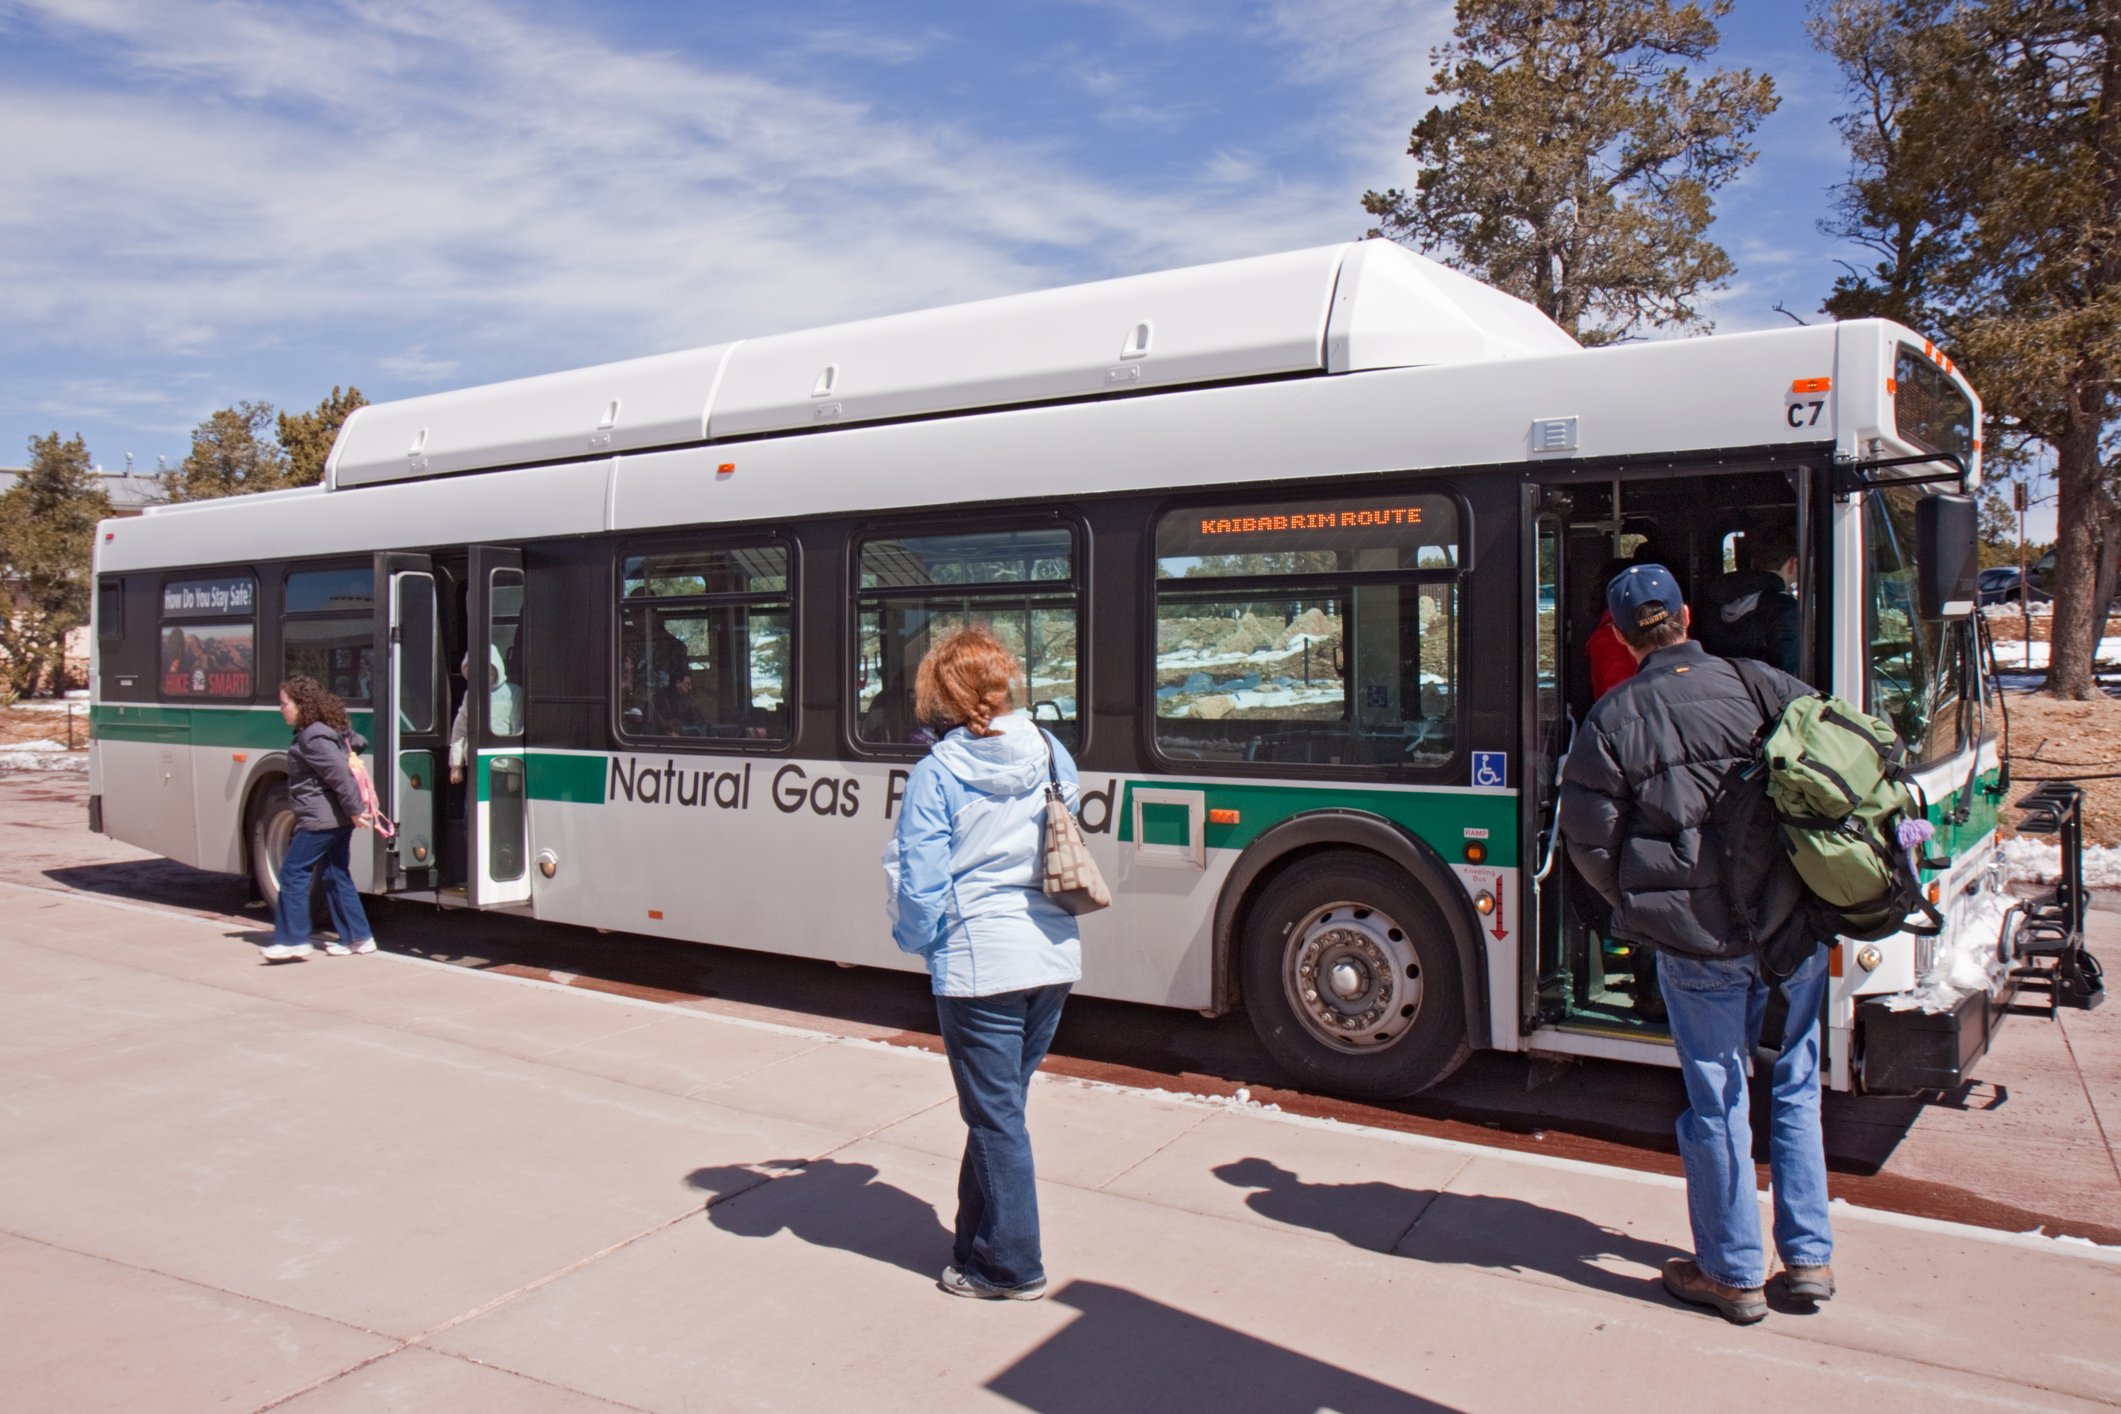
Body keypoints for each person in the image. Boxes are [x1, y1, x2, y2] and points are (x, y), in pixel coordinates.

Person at [1557, 564, 1835, 1325]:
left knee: (1717, 1100)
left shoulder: (1613, 720)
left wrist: (1644, 908)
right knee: (1795, 1085)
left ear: (1617, 633)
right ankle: (1807, 1259)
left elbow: (1588, 843)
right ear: (1683, 614)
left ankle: (1732, 1271)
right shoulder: (1766, 686)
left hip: (1696, 946)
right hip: (1791, 931)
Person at [882, 625, 1083, 1301]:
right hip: (1051, 955)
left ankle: (1010, 1267)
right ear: (1004, 685)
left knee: (995, 1117)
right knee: (999, 1110)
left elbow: (920, 881)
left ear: (941, 693)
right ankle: (973, 1246)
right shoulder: (1052, 752)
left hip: (979, 963)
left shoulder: (937, 773)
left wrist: (916, 941)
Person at [266, 676, 377, 962]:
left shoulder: (313, 736)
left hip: (321, 820)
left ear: (302, 705)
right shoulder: (327, 730)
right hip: (336, 819)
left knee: (293, 872)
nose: (281, 709)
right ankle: (358, 937)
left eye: (284, 704)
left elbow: (339, 774)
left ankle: (292, 939)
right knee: (335, 873)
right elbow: (358, 742)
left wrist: (355, 809)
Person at [1694, 526, 1800, 673]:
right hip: (1760, 692)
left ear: (1753, 562)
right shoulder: (1784, 607)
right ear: (1793, 564)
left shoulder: (1713, 600)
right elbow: (1787, 669)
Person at [448, 645, 524, 784]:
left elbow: (517, 733)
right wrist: (456, 765)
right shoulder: (470, 696)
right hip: (476, 767)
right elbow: (459, 731)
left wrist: (514, 773)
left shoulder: (514, 693)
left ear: (497, 668)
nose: (482, 674)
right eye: (474, 670)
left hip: (504, 769)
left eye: (488, 669)